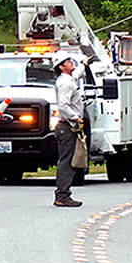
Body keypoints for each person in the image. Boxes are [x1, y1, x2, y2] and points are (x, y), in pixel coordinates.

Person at [53, 54, 83, 208]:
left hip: (68, 125)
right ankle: (62, 195)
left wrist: (84, 63)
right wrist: (76, 118)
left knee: (70, 160)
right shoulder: (65, 83)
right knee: (67, 161)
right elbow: (64, 105)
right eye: (68, 62)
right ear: (61, 67)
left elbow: (77, 74)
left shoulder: (69, 79)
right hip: (67, 126)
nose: (72, 63)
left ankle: (63, 194)